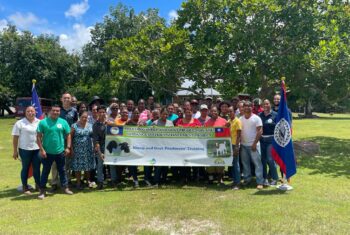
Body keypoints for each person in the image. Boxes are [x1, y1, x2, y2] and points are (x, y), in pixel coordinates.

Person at [37, 105, 73, 199]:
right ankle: (42, 191)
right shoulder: (43, 122)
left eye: (57, 111)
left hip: (60, 152)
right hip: (47, 152)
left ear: (59, 112)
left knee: (62, 170)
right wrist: (42, 150)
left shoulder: (63, 122)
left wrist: (68, 147)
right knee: (45, 171)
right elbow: (38, 137)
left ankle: (65, 188)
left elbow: (68, 135)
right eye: (54, 111)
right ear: (50, 111)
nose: (56, 112)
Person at [12, 106, 41, 195]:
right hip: (24, 150)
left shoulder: (39, 122)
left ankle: (38, 185)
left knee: (37, 168)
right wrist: (15, 151)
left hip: (37, 149)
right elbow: (15, 137)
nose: (30, 113)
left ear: (35, 112)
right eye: (28, 111)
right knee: (25, 168)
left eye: (32, 111)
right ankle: (25, 187)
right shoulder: (19, 123)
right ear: (25, 112)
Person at [239, 101, 264, 189]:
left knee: (257, 164)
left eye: (249, 106)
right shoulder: (240, 119)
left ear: (252, 107)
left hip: (254, 145)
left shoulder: (256, 118)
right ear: (243, 107)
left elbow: (260, 131)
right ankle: (247, 180)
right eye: (245, 106)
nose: (247, 108)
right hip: (243, 145)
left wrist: (254, 143)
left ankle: (260, 182)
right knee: (245, 164)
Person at [71, 111, 95, 190]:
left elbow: (93, 136)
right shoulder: (74, 126)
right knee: (77, 166)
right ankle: (78, 182)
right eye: (83, 117)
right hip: (77, 150)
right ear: (79, 117)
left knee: (87, 166)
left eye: (86, 117)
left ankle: (88, 181)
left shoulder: (90, 126)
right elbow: (70, 138)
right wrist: (71, 148)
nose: (84, 118)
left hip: (88, 149)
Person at [175, 108, 201, 183]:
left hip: (194, 145)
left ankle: (196, 177)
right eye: (186, 112)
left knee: (195, 162)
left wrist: (198, 129)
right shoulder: (180, 121)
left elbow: (201, 131)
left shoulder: (196, 121)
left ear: (192, 113)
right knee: (184, 162)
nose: (188, 114)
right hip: (182, 145)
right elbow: (175, 131)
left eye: (190, 112)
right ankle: (184, 177)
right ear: (184, 113)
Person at [205, 106, 228, 184]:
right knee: (210, 164)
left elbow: (227, 133)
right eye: (212, 111)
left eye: (215, 111)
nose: (214, 112)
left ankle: (220, 179)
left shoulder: (224, 121)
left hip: (221, 145)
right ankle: (210, 179)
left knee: (220, 163)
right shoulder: (207, 122)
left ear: (218, 112)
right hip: (211, 145)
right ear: (210, 112)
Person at [152, 108, 174, 187]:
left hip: (167, 147)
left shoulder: (170, 123)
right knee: (158, 165)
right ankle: (156, 181)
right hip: (157, 147)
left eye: (166, 114)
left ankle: (164, 180)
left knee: (165, 164)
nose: (165, 115)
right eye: (163, 114)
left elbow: (173, 135)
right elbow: (151, 135)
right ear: (160, 114)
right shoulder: (155, 123)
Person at [259, 99, 279, 186]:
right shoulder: (259, 115)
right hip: (262, 140)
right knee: (263, 160)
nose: (266, 106)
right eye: (264, 104)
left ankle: (275, 178)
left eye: (267, 104)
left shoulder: (275, 115)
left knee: (270, 160)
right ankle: (265, 178)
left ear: (270, 105)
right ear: (262, 106)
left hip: (271, 140)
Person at [227, 107, 242, 189]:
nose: (229, 113)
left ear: (234, 112)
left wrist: (236, 147)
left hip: (234, 145)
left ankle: (238, 183)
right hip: (229, 145)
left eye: (231, 111)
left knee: (236, 164)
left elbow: (239, 135)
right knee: (232, 164)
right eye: (228, 112)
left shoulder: (237, 121)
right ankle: (234, 181)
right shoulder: (229, 121)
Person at [92, 106, 107, 190]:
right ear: (97, 113)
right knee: (100, 165)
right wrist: (100, 152)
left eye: (103, 112)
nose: (102, 114)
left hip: (110, 148)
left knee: (111, 165)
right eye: (100, 112)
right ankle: (100, 182)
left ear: (105, 113)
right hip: (100, 148)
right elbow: (96, 140)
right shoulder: (95, 125)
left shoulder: (109, 123)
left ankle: (114, 181)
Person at [125, 109, 141, 187]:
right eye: (135, 113)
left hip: (140, 146)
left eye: (138, 113)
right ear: (132, 114)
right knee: (132, 164)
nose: (136, 114)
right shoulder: (128, 123)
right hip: (131, 146)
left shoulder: (142, 123)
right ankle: (135, 179)